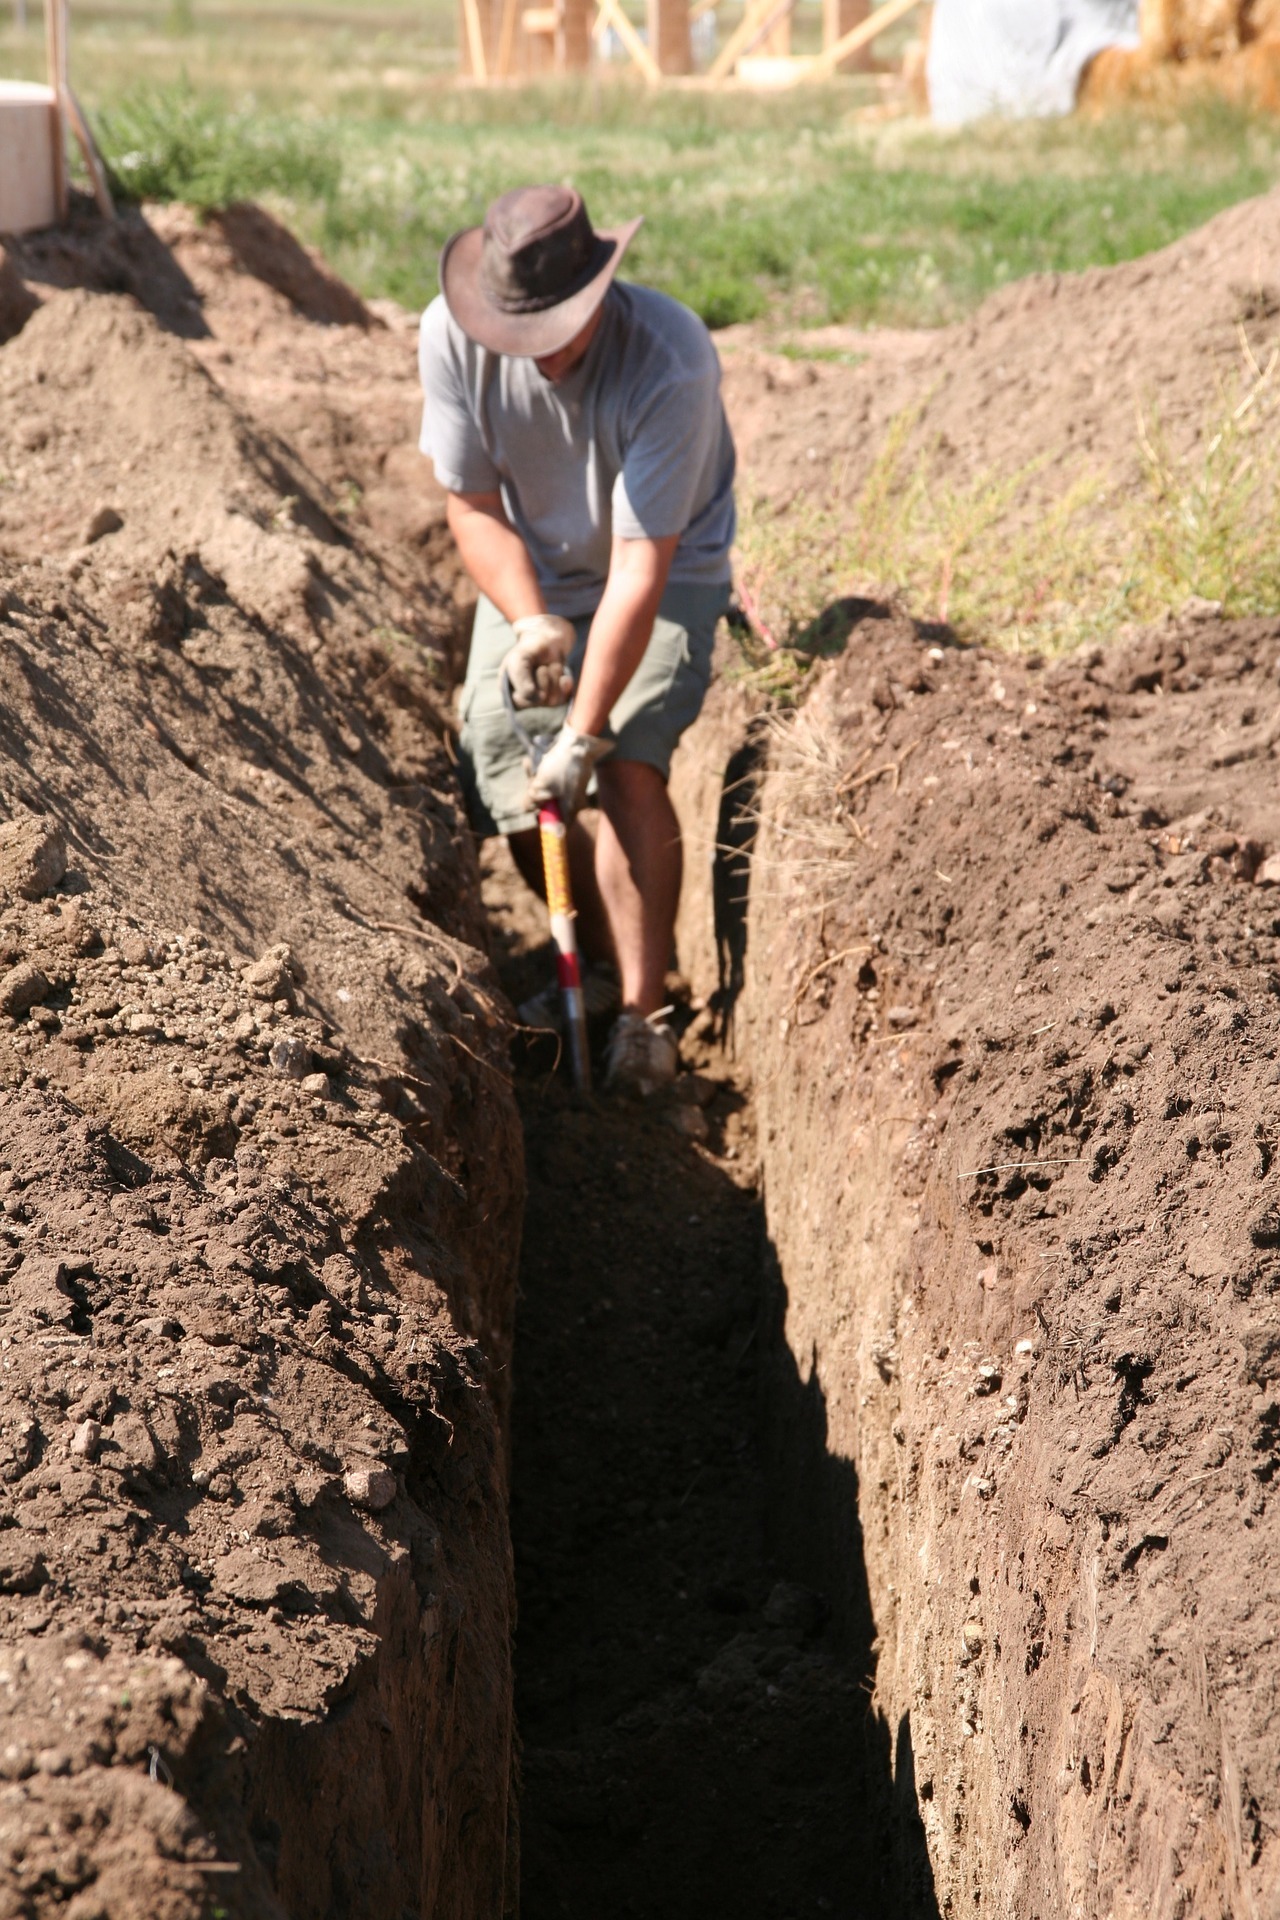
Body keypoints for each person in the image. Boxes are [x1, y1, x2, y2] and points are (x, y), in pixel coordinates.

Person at [418, 183, 736, 1095]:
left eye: (560, 330)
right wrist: (529, 620)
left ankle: (645, 1013)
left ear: (599, 293)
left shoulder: (668, 359)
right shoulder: (449, 336)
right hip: (542, 577)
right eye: (522, 336)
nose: (541, 357)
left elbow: (640, 570)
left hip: (667, 572)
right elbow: (472, 506)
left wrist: (585, 732)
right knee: (500, 751)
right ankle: (593, 960)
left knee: (628, 759)